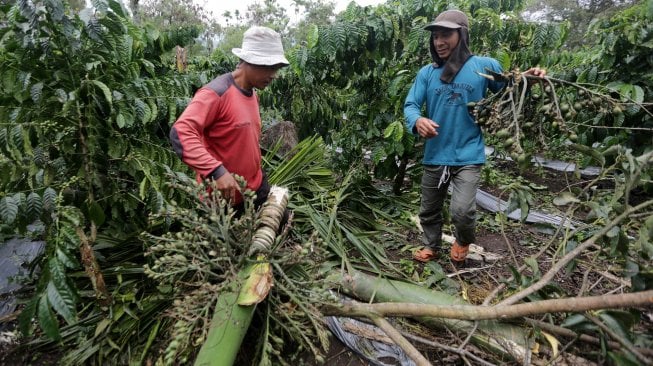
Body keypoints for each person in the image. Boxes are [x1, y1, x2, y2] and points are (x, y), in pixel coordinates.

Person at [404, 10, 546, 264]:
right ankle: (431, 245)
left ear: (462, 34)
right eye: (436, 36)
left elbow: (509, 88)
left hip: (468, 154)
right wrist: (417, 120)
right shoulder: (427, 72)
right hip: (436, 153)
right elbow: (411, 105)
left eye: (446, 34)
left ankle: (462, 240)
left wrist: (528, 79)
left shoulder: (484, 65)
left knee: (463, 211)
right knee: (429, 209)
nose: (439, 41)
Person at [170, 26, 289, 212]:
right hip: (224, 200)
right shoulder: (215, 93)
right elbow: (181, 132)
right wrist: (216, 171)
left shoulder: (252, 95)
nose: (274, 75)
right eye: (269, 67)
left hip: (255, 188)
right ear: (249, 60)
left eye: (277, 68)